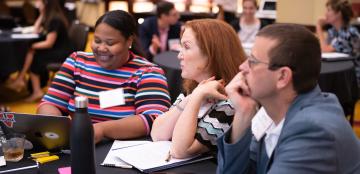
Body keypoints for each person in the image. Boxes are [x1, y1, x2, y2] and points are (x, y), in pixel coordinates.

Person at [216, 23, 360, 173]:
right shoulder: (271, 112)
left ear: (282, 76)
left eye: (252, 61)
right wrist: (243, 114)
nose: (242, 67)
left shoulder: (313, 131)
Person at [37, 10, 171, 141]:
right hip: (77, 145)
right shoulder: (77, 61)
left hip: (122, 154)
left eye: (110, 43)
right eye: (97, 40)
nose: (101, 48)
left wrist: (101, 130)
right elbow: (50, 103)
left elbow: (154, 118)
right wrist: (55, 127)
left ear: (129, 41)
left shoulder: (147, 72)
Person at [151, 19, 246, 158]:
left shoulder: (231, 102)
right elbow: (158, 134)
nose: (179, 55)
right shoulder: (195, 86)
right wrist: (192, 97)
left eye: (187, 47)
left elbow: (180, 151)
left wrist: (196, 97)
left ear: (212, 53)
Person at [7, 0, 74, 102]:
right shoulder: (50, 17)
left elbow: (49, 43)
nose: (38, 5)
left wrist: (33, 45)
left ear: (46, 4)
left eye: (40, 3)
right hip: (57, 48)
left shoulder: (55, 20)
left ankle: (33, 89)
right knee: (31, 51)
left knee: (35, 56)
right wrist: (42, 14)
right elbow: (35, 30)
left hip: (62, 52)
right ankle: (22, 79)